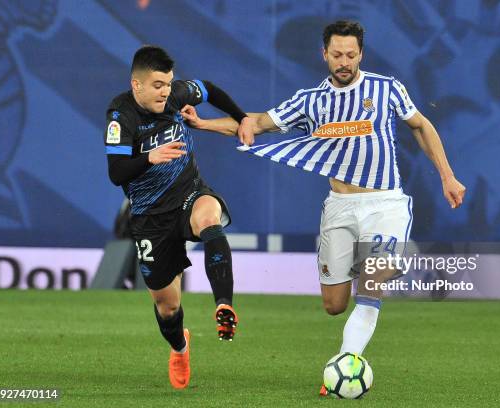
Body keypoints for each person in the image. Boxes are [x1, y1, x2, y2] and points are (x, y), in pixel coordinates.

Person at [181, 20, 466, 395]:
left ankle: (347, 360)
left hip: (385, 203)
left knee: (372, 281)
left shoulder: (386, 89)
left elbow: (421, 126)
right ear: (324, 54)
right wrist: (203, 123)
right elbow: (256, 123)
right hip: (339, 208)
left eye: (351, 55)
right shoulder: (310, 101)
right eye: (337, 55)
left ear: (361, 54)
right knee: (334, 304)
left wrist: (447, 175)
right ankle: (378, 269)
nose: (344, 62)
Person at [103, 45, 254, 389]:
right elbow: (116, 173)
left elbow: (210, 89)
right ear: (136, 85)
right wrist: (149, 157)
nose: (166, 92)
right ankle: (180, 347)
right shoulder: (120, 115)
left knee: (209, 218)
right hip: (149, 217)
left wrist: (242, 116)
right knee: (167, 307)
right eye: (158, 85)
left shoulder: (177, 94)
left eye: (168, 84)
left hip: (189, 194)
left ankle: (224, 306)